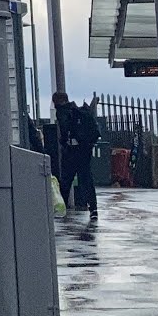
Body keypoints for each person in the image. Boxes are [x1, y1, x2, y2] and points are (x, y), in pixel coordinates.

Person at [54, 91, 100, 221]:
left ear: (58, 101)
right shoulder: (80, 112)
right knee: (86, 180)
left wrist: (63, 143)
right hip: (84, 150)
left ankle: (61, 208)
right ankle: (93, 209)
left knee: (65, 181)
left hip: (71, 151)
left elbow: (64, 132)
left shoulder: (62, 112)